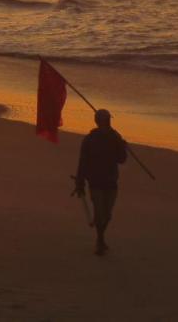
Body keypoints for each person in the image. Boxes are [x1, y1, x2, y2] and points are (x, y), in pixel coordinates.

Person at [72, 108, 127, 256]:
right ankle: (100, 240)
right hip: (95, 181)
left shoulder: (115, 137)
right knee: (99, 211)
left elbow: (122, 159)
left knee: (107, 214)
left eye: (109, 119)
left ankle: (100, 238)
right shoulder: (90, 139)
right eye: (106, 119)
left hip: (111, 180)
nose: (108, 122)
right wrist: (80, 182)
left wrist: (123, 146)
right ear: (99, 121)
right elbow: (82, 162)